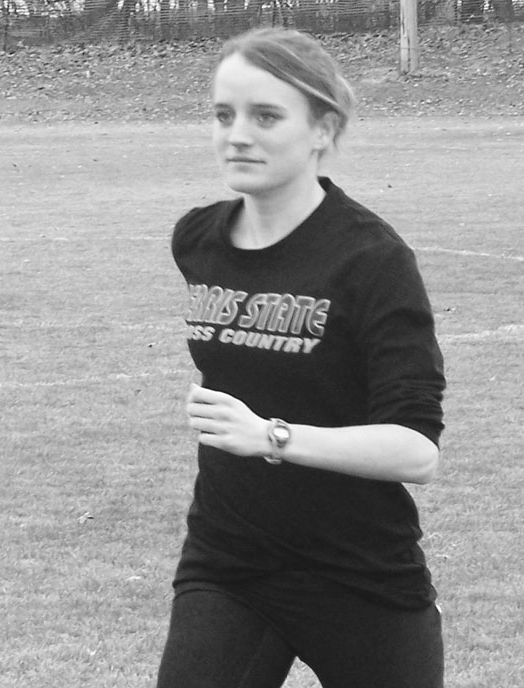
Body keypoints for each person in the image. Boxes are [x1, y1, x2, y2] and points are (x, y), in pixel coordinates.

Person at [156, 27, 446, 688]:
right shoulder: (198, 239)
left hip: (359, 575)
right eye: (223, 115)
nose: (236, 135)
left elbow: (416, 452)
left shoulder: (371, 260)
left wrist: (272, 436)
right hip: (228, 563)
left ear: (323, 128)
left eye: (265, 117)